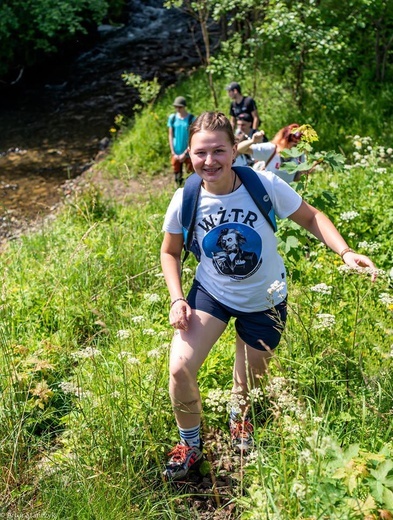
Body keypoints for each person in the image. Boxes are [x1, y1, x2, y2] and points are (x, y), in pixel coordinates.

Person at [160, 111, 376, 481]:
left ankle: (238, 421)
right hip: (211, 295)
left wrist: (345, 252)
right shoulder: (186, 198)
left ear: (234, 150)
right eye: (200, 153)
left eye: (218, 151)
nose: (209, 161)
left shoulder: (264, 184)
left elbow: (311, 217)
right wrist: (178, 298)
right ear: (190, 153)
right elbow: (170, 252)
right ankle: (190, 443)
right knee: (180, 368)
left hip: (266, 299)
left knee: (247, 384)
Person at [237, 123, 306, 184]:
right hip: (265, 192)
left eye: (298, 145)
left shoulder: (299, 155)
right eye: (294, 145)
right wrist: (252, 141)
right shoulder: (271, 149)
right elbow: (240, 149)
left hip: (283, 195)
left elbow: (295, 177)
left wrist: (306, 172)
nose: (296, 148)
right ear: (283, 140)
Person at [167, 96, 195, 186]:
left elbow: (193, 137)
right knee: (177, 171)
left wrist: (186, 152)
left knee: (190, 172)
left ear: (184, 107)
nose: (178, 109)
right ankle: (178, 187)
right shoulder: (172, 118)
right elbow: (170, 135)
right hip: (176, 151)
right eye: (176, 107)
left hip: (188, 151)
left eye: (180, 107)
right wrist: (173, 152)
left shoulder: (191, 119)